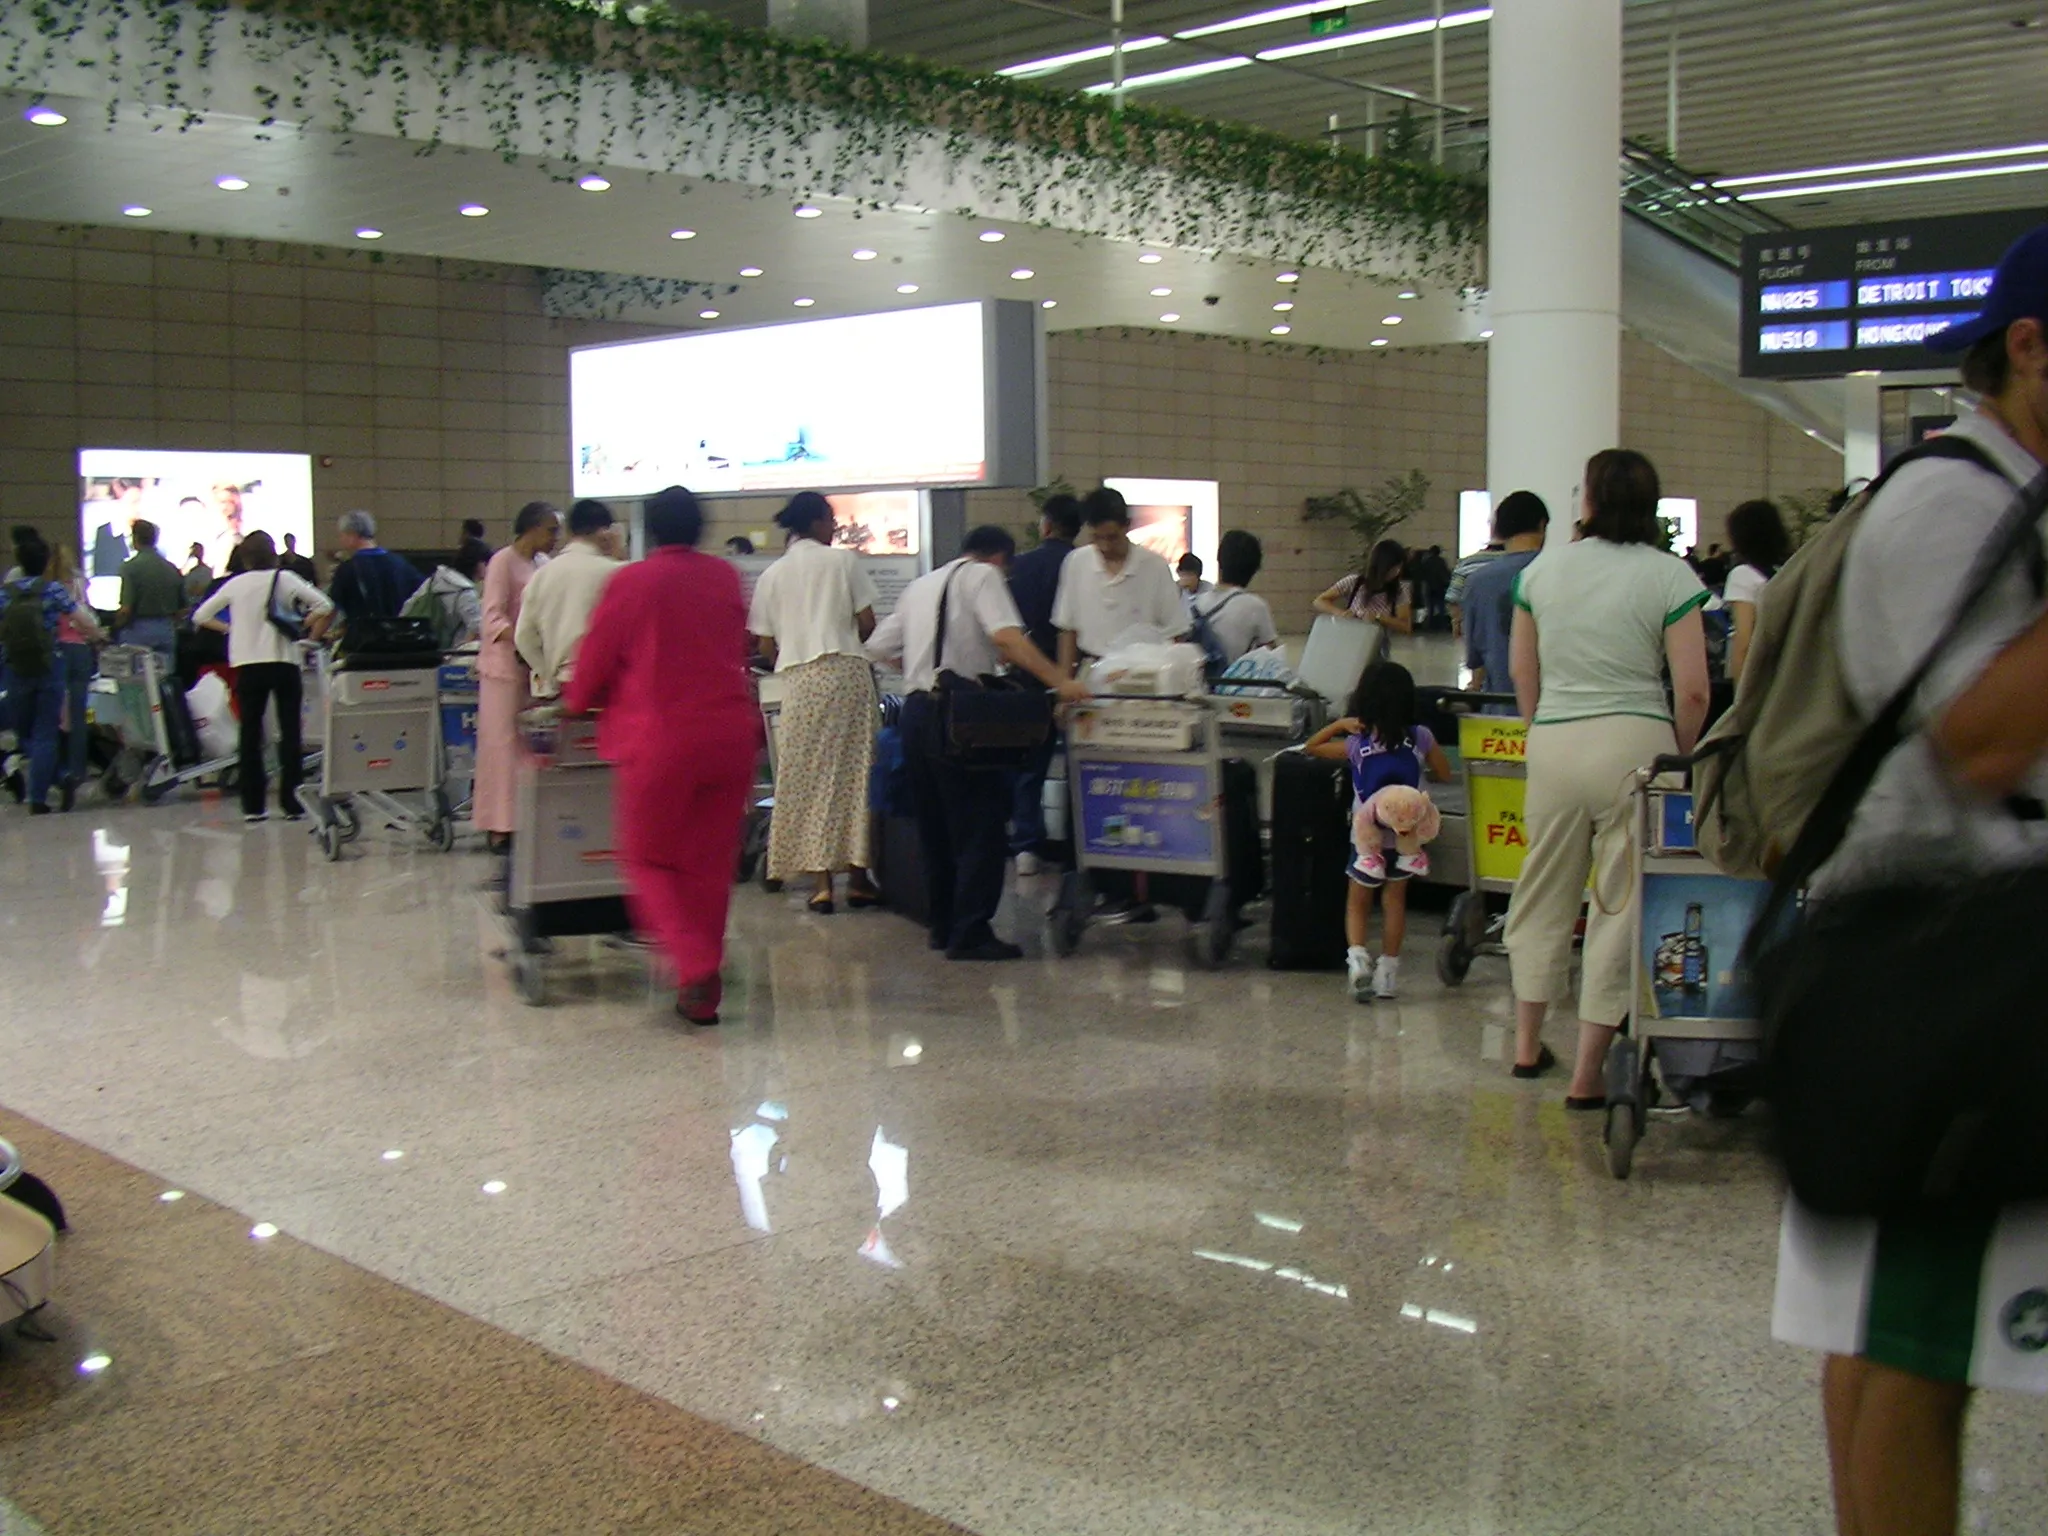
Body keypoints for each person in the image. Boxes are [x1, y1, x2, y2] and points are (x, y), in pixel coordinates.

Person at [1771, 231, 2048, 1536]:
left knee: (1888, 1339)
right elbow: (1982, 740)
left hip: (1961, 961)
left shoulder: (2008, 502)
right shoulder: (1952, 503)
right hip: (1948, 973)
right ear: (2031, 346)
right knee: (1919, 1354)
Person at [1502, 448, 1710, 1101]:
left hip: (1557, 743)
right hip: (1637, 749)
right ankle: (1589, 1076)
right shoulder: (1671, 576)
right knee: (1617, 905)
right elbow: (1696, 690)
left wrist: (1542, 731)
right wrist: (1675, 756)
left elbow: (1520, 671)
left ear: (1588, 501)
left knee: (1542, 893)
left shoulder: (1542, 570)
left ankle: (1526, 1046)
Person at [563, 487, 759, 1024]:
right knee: (708, 866)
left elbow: (598, 658)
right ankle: (703, 992)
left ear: (648, 529)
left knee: (647, 858)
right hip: (729, 737)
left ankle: (694, 966)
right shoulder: (723, 577)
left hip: (662, 740)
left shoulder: (633, 580)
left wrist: (576, 702)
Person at [865, 526, 1088, 959]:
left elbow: (877, 646)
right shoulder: (984, 577)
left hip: (916, 714)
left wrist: (923, 666)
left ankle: (943, 925)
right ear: (1000, 559)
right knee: (980, 825)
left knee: (936, 828)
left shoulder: (923, 584)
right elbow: (1007, 637)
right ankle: (971, 932)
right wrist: (1061, 680)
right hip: (962, 718)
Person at [747, 492, 881, 913]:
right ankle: (859, 879)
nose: (835, 528)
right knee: (856, 774)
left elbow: (765, 645)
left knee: (806, 776)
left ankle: (821, 885)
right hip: (846, 674)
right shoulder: (843, 562)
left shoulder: (773, 575)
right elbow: (867, 623)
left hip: (799, 682)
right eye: (832, 521)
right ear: (819, 522)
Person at [1304, 662, 1451, 1002]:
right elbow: (1443, 774)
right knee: (1394, 901)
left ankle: (1358, 961)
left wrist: (1340, 724)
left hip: (1366, 838)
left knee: (1358, 901)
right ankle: (1388, 975)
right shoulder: (1421, 736)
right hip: (1406, 839)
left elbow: (1312, 747)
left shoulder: (1357, 743)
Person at [191, 531, 334, 824]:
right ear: (274, 554)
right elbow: (325, 605)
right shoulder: (286, 579)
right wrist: (301, 625)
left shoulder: (236, 583)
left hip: (247, 664)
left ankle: (253, 806)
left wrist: (228, 629)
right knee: (290, 731)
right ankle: (293, 802)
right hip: (284, 661)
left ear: (245, 557)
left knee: (251, 733)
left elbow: (200, 616)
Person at [474, 502, 561, 854]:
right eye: (550, 530)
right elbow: (492, 617)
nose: (555, 538)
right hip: (504, 669)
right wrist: (521, 639)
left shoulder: (544, 565)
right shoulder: (502, 562)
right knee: (502, 746)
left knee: (533, 747)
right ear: (531, 529)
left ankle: (529, 818)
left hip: (535, 668)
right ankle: (500, 825)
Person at [1003, 493, 1082, 872]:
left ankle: (1026, 846)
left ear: (1046, 525)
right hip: (1081, 680)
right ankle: (1078, 843)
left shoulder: (1021, 566)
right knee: (1082, 763)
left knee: (1029, 766)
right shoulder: (1084, 566)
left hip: (1028, 676)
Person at [1052, 487, 1187, 678]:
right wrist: (1064, 684)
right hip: (1092, 670)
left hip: (1142, 676)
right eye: (1097, 538)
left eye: (1112, 537)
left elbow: (1175, 633)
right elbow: (1067, 630)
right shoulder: (1076, 562)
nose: (1105, 546)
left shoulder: (1154, 566)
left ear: (1127, 526)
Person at [2, 536, 82, 815]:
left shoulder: (5, 594)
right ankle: (41, 796)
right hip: (50, 666)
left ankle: (58, 778)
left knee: (24, 731)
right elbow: (81, 618)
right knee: (46, 732)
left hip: (14, 668)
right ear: (45, 562)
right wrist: (97, 636)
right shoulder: (53, 591)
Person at [516, 498, 621, 698]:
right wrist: (618, 554)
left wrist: (548, 673)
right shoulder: (616, 573)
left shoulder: (542, 575)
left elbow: (524, 637)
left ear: (570, 532)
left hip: (562, 688)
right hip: (607, 687)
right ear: (607, 532)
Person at [1460, 491, 1550, 698]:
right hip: (1553, 709)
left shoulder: (1478, 582)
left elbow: (1475, 658)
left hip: (1499, 709)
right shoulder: (1560, 573)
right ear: (1542, 524)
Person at [48, 542, 105, 812]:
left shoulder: (45, 587)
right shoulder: (78, 583)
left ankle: (55, 769)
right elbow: (87, 616)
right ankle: (77, 768)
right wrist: (98, 636)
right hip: (80, 650)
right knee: (79, 712)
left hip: (54, 651)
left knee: (52, 714)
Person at [1722, 498, 1793, 679]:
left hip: (1760, 675)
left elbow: (1744, 642)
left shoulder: (1743, 575)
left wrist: (1740, 698)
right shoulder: (1790, 570)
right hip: (1790, 670)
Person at [1189, 529, 1279, 667]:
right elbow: (1272, 657)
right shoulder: (1256, 606)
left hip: (1199, 684)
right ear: (1254, 568)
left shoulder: (1195, 603)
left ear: (1219, 560)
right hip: (1235, 684)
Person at [1313, 539, 1414, 654]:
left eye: (1399, 568)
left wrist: (1378, 618)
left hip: (1378, 649)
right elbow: (1319, 601)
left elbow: (1405, 626)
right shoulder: (1353, 582)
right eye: (1393, 568)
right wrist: (1340, 613)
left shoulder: (1400, 591)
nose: (1396, 572)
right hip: (1349, 645)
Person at [115, 519, 186, 675]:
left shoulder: (130, 567)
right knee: (164, 678)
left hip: (137, 629)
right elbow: (182, 609)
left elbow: (126, 608)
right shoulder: (171, 568)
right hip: (165, 629)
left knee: (135, 681)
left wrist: (115, 627)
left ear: (135, 538)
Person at [327, 511, 422, 627]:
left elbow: (330, 609)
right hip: (399, 634)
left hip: (365, 637)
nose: (340, 540)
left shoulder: (347, 568)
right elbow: (420, 593)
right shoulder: (400, 562)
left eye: (342, 535)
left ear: (352, 535)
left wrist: (312, 638)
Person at [403, 542, 489, 651]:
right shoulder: (465, 592)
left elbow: (410, 604)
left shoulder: (437, 578)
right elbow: (478, 629)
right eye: (486, 563)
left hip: (421, 643)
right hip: (449, 653)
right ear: (477, 564)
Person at [1412, 544, 1453, 627]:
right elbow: (1445, 574)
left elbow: (1422, 574)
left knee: (1430, 608)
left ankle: (1429, 625)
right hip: (1440, 587)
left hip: (1429, 587)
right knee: (1441, 607)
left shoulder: (1427, 562)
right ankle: (1443, 625)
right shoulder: (1441, 561)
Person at [183, 542, 214, 608]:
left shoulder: (205, 571)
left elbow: (200, 590)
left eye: (196, 549)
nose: (194, 551)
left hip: (194, 605)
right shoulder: (191, 570)